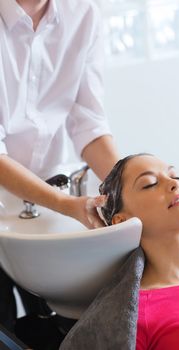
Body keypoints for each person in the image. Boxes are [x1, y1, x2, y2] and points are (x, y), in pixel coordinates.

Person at [0, 0, 119, 343]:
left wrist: (128, 186)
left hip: (49, 197)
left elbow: (88, 123)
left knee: (61, 324)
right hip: (37, 201)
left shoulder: (83, 13)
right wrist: (66, 205)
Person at [60, 153, 179, 350]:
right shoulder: (137, 316)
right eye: (149, 183)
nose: (174, 184)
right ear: (122, 220)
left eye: (176, 176)